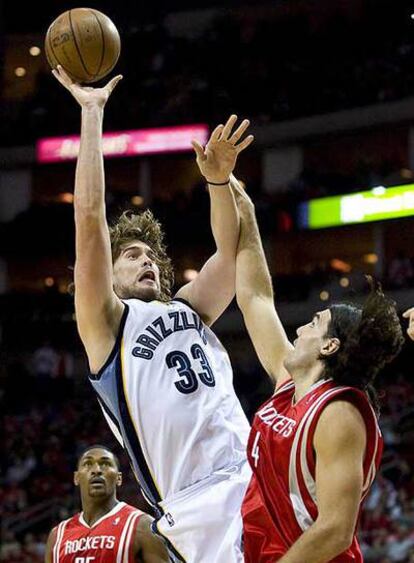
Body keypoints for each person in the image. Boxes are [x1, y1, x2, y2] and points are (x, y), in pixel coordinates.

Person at [51, 65, 253, 563]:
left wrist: (219, 183)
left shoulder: (188, 306)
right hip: (196, 503)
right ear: (107, 274)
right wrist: (92, 114)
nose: (144, 260)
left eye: (150, 255)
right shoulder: (107, 326)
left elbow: (231, 256)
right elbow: (90, 219)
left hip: (254, 473)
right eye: (131, 255)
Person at [231, 181, 404, 563]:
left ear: (329, 346)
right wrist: (241, 203)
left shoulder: (338, 413)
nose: (298, 330)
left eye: (313, 323)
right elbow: (255, 297)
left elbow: (335, 531)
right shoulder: (288, 385)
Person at [45, 445, 169, 563]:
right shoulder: (57, 535)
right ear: (76, 477)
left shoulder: (142, 526)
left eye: (105, 464)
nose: (96, 470)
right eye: (88, 464)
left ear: (119, 478)